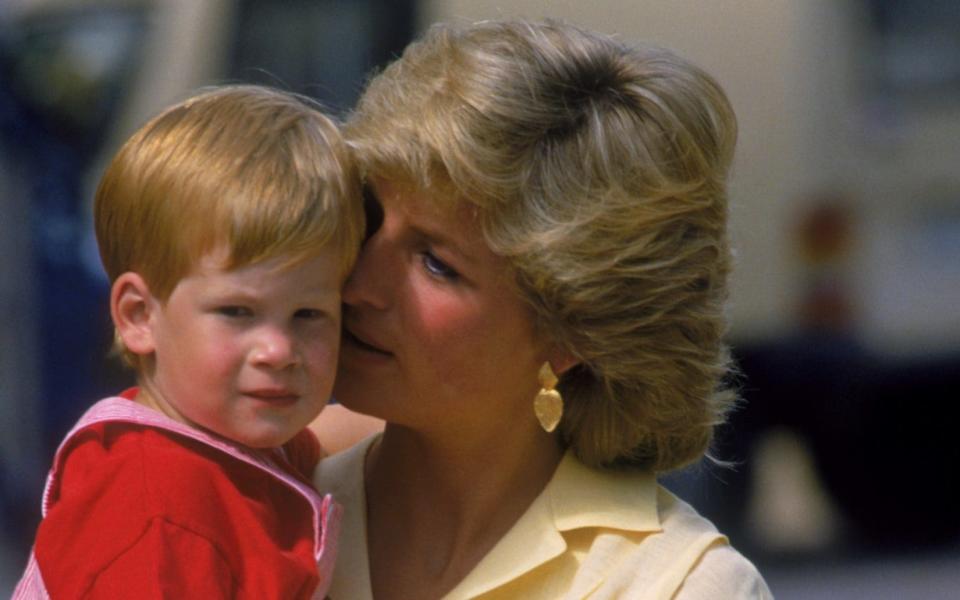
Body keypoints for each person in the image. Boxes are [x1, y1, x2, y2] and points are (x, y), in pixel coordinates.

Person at [310, 19, 773, 599]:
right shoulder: (268, 499)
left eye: (435, 264)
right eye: (370, 217)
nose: (357, 283)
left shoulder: (676, 585)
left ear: (573, 332)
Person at [15, 85, 364, 599]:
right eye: (237, 312)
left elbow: (342, 436)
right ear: (139, 316)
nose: (279, 350)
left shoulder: (230, 439)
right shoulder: (155, 510)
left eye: (309, 314)